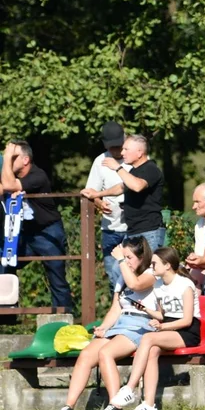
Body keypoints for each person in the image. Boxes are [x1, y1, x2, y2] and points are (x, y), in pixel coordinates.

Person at [53, 237, 156, 410]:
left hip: (141, 325)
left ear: (142, 257)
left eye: (129, 257)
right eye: (124, 257)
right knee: (86, 354)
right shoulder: (122, 278)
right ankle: (68, 407)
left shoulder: (150, 273)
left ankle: (115, 405)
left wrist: (122, 262)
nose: (126, 261)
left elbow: (136, 284)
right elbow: (116, 308)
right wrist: (103, 327)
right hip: (121, 324)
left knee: (106, 353)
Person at [110, 247, 202, 410]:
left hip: (187, 331)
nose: (151, 268)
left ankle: (130, 388)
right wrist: (148, 312)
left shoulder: (185, 285)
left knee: (147, 338)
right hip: (169, 327)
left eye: (154, 264)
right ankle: (149, 405)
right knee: (152, 351)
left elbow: (187, 320)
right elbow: (163, 315)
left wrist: (162, 327)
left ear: (167, 265)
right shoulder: (159, 285)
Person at [1, 141, 74, 310]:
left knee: (56, 278)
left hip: (48, 232)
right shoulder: (16, 177)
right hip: (27, 234)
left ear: (25, 160)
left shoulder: (37, 176)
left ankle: (63, 319)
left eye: (14, 157)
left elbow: (8, 185)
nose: (10, 161)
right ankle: (7, 310)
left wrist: (5, 158)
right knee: (5, 261)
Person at [87, 134, 166, 250]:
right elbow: (122, 187)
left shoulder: (151, 168)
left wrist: (118, 168)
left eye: (126, 149)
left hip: (149, 231)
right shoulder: (134, 171)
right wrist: (97, 194)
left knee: (150, 268)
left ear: (139, 153)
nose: (122, 152)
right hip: (134, 231)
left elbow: (137, 186)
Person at [80, 122, 130, 289]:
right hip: (111, 227)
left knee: (135, 272)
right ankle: (116, 310)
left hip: (134, 226)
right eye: (112, 147)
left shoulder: (135, 157)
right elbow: (90, 191)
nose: (116, 150)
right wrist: (100, 203)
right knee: (112, 274)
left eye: (119, 146)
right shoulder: (99, 161)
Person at [187, 182, 205, 292]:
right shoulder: (199, 224)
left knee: (195, 274)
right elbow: (200, 255)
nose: (193, 207)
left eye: (197, 202)